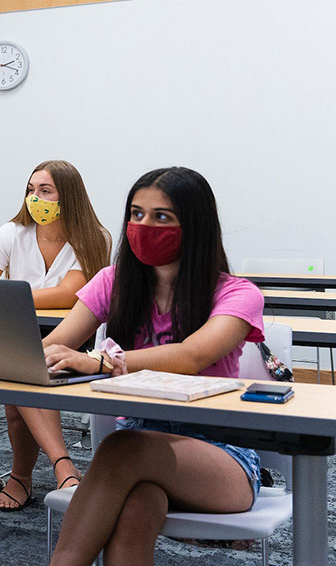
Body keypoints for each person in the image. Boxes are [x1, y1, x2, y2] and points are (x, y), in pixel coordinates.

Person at [46, 166, 265, 565]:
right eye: (136, 213)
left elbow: (191, 355)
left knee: (123, 446)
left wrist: (100, 359)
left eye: (161, 216)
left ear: (194, 226)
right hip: (137, 451)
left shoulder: (237, 294)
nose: (143, 225)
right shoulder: (114, 281)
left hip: (220, 458)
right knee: (135, 508)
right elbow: (54, 345)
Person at [0, 160, 111, 511]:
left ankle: (24, 477)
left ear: (69, 197)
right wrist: (12, 299)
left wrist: (11, 294)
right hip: (17, 328)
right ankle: (60, 467)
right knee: (18, 373)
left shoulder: (94, 237)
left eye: (45, 191)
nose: (35, 198)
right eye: (31, 190)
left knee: (18, 376)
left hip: (73, 334)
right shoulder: (11, 233)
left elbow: (71, 295)